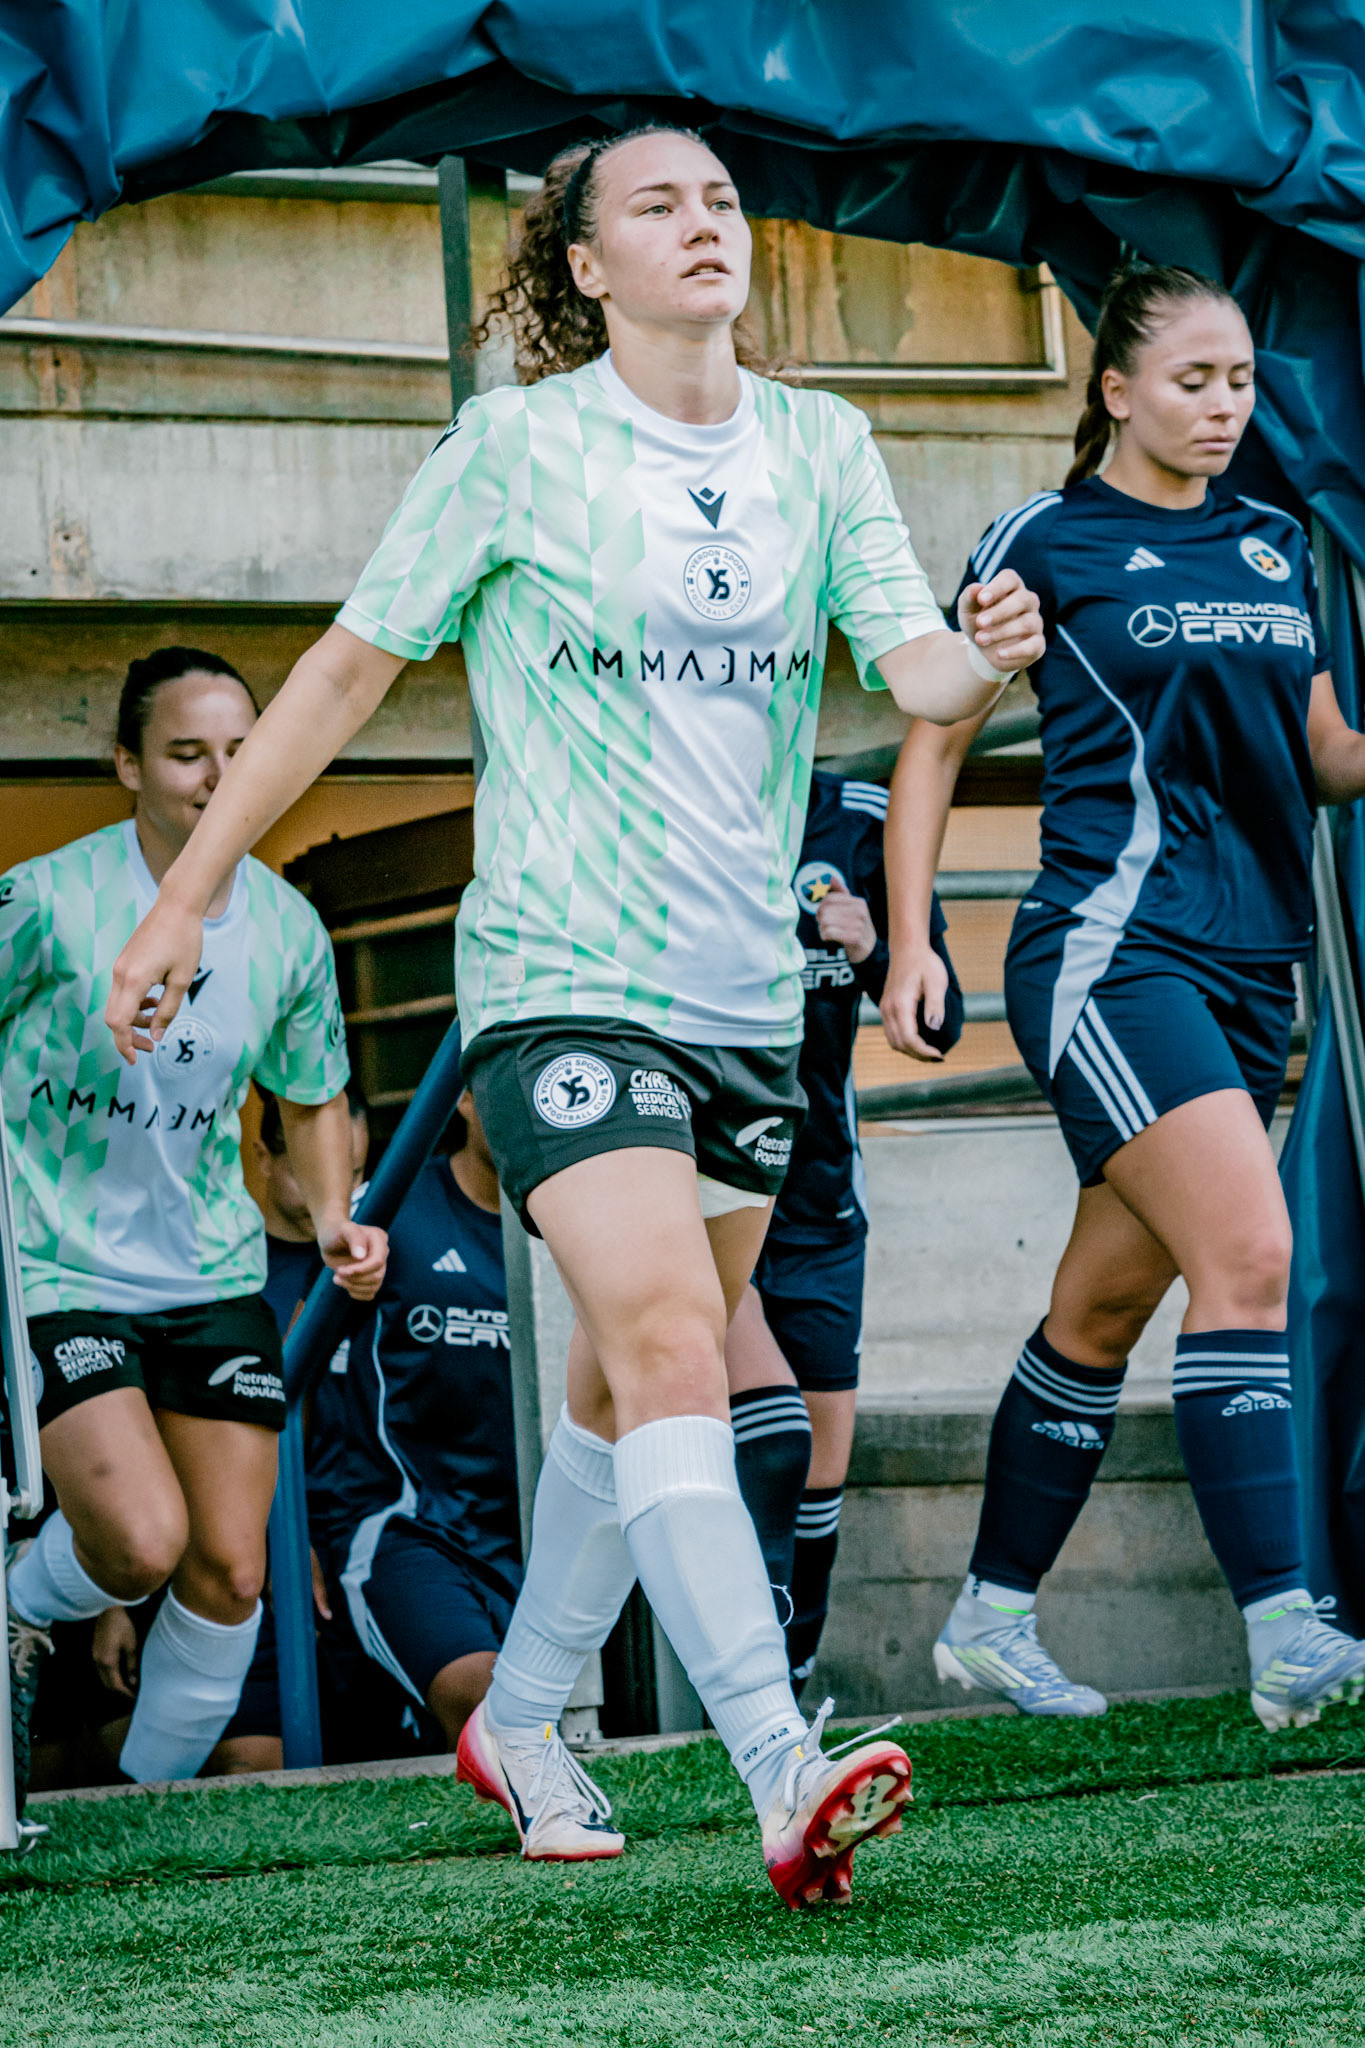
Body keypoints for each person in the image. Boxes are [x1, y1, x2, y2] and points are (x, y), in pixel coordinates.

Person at [103, 129, 1044, 1905]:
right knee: (682, 1342)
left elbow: (911, 668)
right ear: (588, 266)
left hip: (746, 998)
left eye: (721, 200)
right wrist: (185, 893)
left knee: (624, 1391)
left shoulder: (823, 444)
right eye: (658, 206)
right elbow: (339, 676)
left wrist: (988, 641)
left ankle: (526, 1712)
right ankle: (781, 1757)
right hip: (560, 979)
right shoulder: (516, 450)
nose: (706, 224)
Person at [882, 263, 1365, 1732]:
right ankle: (1288, 1631)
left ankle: (987, 1615)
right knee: (1253, 1254)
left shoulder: (1279, 543)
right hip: (1107, 948)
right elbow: (935, 731)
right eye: (1191, 382)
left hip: (1248, 966)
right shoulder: (1047, 538)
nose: (1223, 409)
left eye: (1238, 384)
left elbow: (1330, 757)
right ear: (1114, 391)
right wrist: (913, 941)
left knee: (1101, 1306)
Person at [2, 647, 387, 1811]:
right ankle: (20, 1598)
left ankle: (137, 1808)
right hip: (55, 1260)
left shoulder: (286, 929)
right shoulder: (47, 899)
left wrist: (332, 1218)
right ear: (128, 764)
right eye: (185, 753)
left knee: (227, 1572)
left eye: (238, 749)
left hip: (209, 1269)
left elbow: (312, 1090)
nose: (219, 776)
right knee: (137, 1542)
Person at [725, 767, 962, 1689]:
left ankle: (788, 1677)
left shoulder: (860, 818)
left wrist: (879, 953)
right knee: (773, 1436)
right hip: (710, 1186)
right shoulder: (673, 792)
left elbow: (940, 1030)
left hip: (820, 1205)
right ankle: (746, 1690)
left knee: (819, 1472)